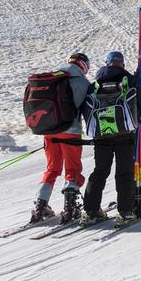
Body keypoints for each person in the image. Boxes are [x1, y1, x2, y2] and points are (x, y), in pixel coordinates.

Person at [82, 51, 141, 224]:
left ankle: (90, 212)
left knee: (99, 171)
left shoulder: (94, 84)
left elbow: (86, 109)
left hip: (101, 135)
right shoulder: (129, 80)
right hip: (125, 134)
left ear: (107, 64)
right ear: (122, 64)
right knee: (124, 173)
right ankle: (125, 212)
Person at [32, 52, 91, 223]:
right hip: (70, 132)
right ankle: (70, 207)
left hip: (48, 131)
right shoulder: (82, 82)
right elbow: (86, 109)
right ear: (83, 66)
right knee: (72, 170)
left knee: (52, 169)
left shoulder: (53, 78)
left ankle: (40, 206)